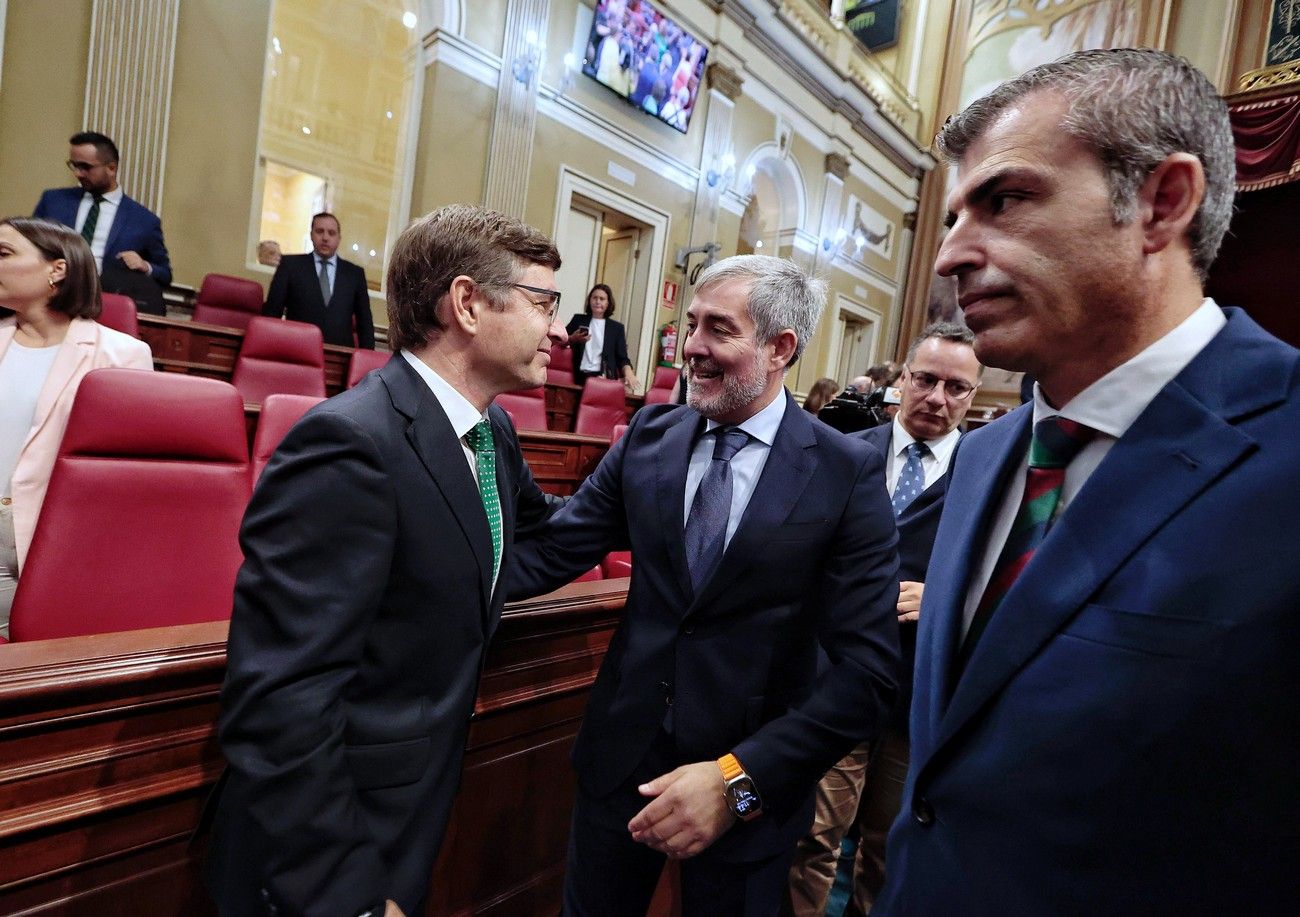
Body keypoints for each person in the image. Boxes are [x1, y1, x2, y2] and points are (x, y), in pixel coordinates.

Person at [876, 49, 1300, 916]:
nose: (951, 253)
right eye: (955, 213)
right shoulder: (990, 455)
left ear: (1161, 202)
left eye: (1004, 200)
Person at [508, 254, 901, 916]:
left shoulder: (845, 473)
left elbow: (867, 676)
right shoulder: (648, 437)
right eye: (691, 324)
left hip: (752, 796)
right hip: (618, 768)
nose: (691, 346)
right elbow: (554, 548)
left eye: (718, 328)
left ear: (780, 348)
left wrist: (737, 784)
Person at [207, 205, 567, 917]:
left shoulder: (489, 427)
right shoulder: (348, 444)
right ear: (466, 303)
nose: (560, 328)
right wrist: (351, 898)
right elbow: (281, 701)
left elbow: (539, 537)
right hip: (329, 850)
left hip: (411, 813)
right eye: (544, 302)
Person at [786, 323, 979, 916]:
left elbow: (1010, 582)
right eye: (925, 380)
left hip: (917, 694)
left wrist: (946, 597)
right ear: (902, 381)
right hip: (833, 681)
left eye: (956, 387)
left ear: (972, 395)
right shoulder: (845, 453)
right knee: (810, 841)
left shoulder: (986, 475)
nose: (937, 398)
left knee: (888, 854)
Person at [0, 217, 153, 636]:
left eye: (4, 253)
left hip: (48, 544)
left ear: (58, 269)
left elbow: (124, 483)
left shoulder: (123, 355)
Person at [33, 131, 172, 287]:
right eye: (74, 165)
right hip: (49, 290)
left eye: (85, 167)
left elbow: (165, 275)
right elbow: (28, 246)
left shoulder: (144, 220)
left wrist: (145, 266)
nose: (78, 173)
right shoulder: (54, 201)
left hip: (104, 298)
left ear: (111, 168)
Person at [262, 212, 375, 349]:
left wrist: (369, 362)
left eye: (331, 233)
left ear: (339, 238)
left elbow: (365, 323)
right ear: (311, 235)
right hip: (296, 350)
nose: (325, 238)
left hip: (340, 355)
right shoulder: (290, 266)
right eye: (319, 231)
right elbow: (272, 313)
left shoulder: (354, 274)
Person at [565, 283, 640, 394]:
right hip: (579, 377)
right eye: (594, 298)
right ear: (589, 300)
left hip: (603, 378)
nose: (598, 301)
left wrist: (629, 374)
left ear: (608, 302)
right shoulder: (578, 320)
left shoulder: (616, 328)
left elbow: (623, 358)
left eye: (602, 299)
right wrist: (572, 338)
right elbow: (559, 340)